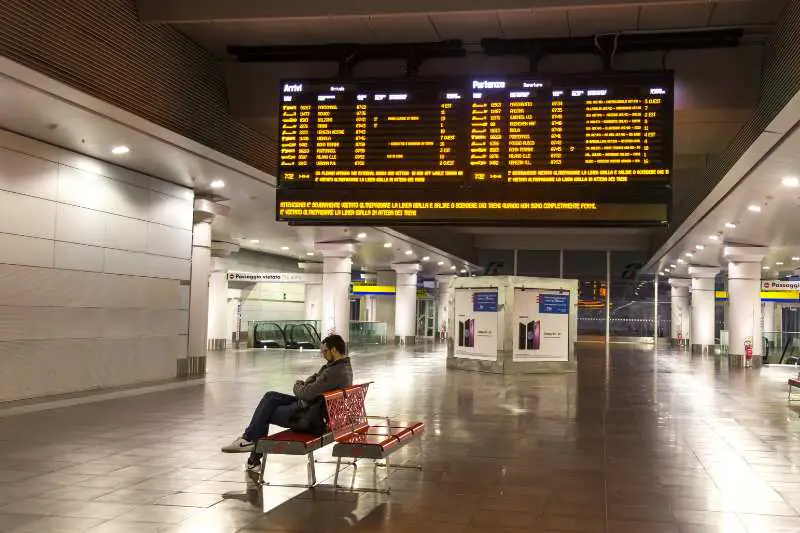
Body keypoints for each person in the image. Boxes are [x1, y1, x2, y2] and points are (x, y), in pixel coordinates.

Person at [221, 334, 353, 472]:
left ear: (334, 350)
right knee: (270, 396)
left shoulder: (334, 372)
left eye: (325, 351)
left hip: (309, 416)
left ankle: (250, 445)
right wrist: (307, 384)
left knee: (266, 411)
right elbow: (313, 379)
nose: (323, 354)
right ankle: (250, 446)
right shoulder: (341, 366)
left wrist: (297, 385)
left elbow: (305, 392)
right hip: (314, 408)